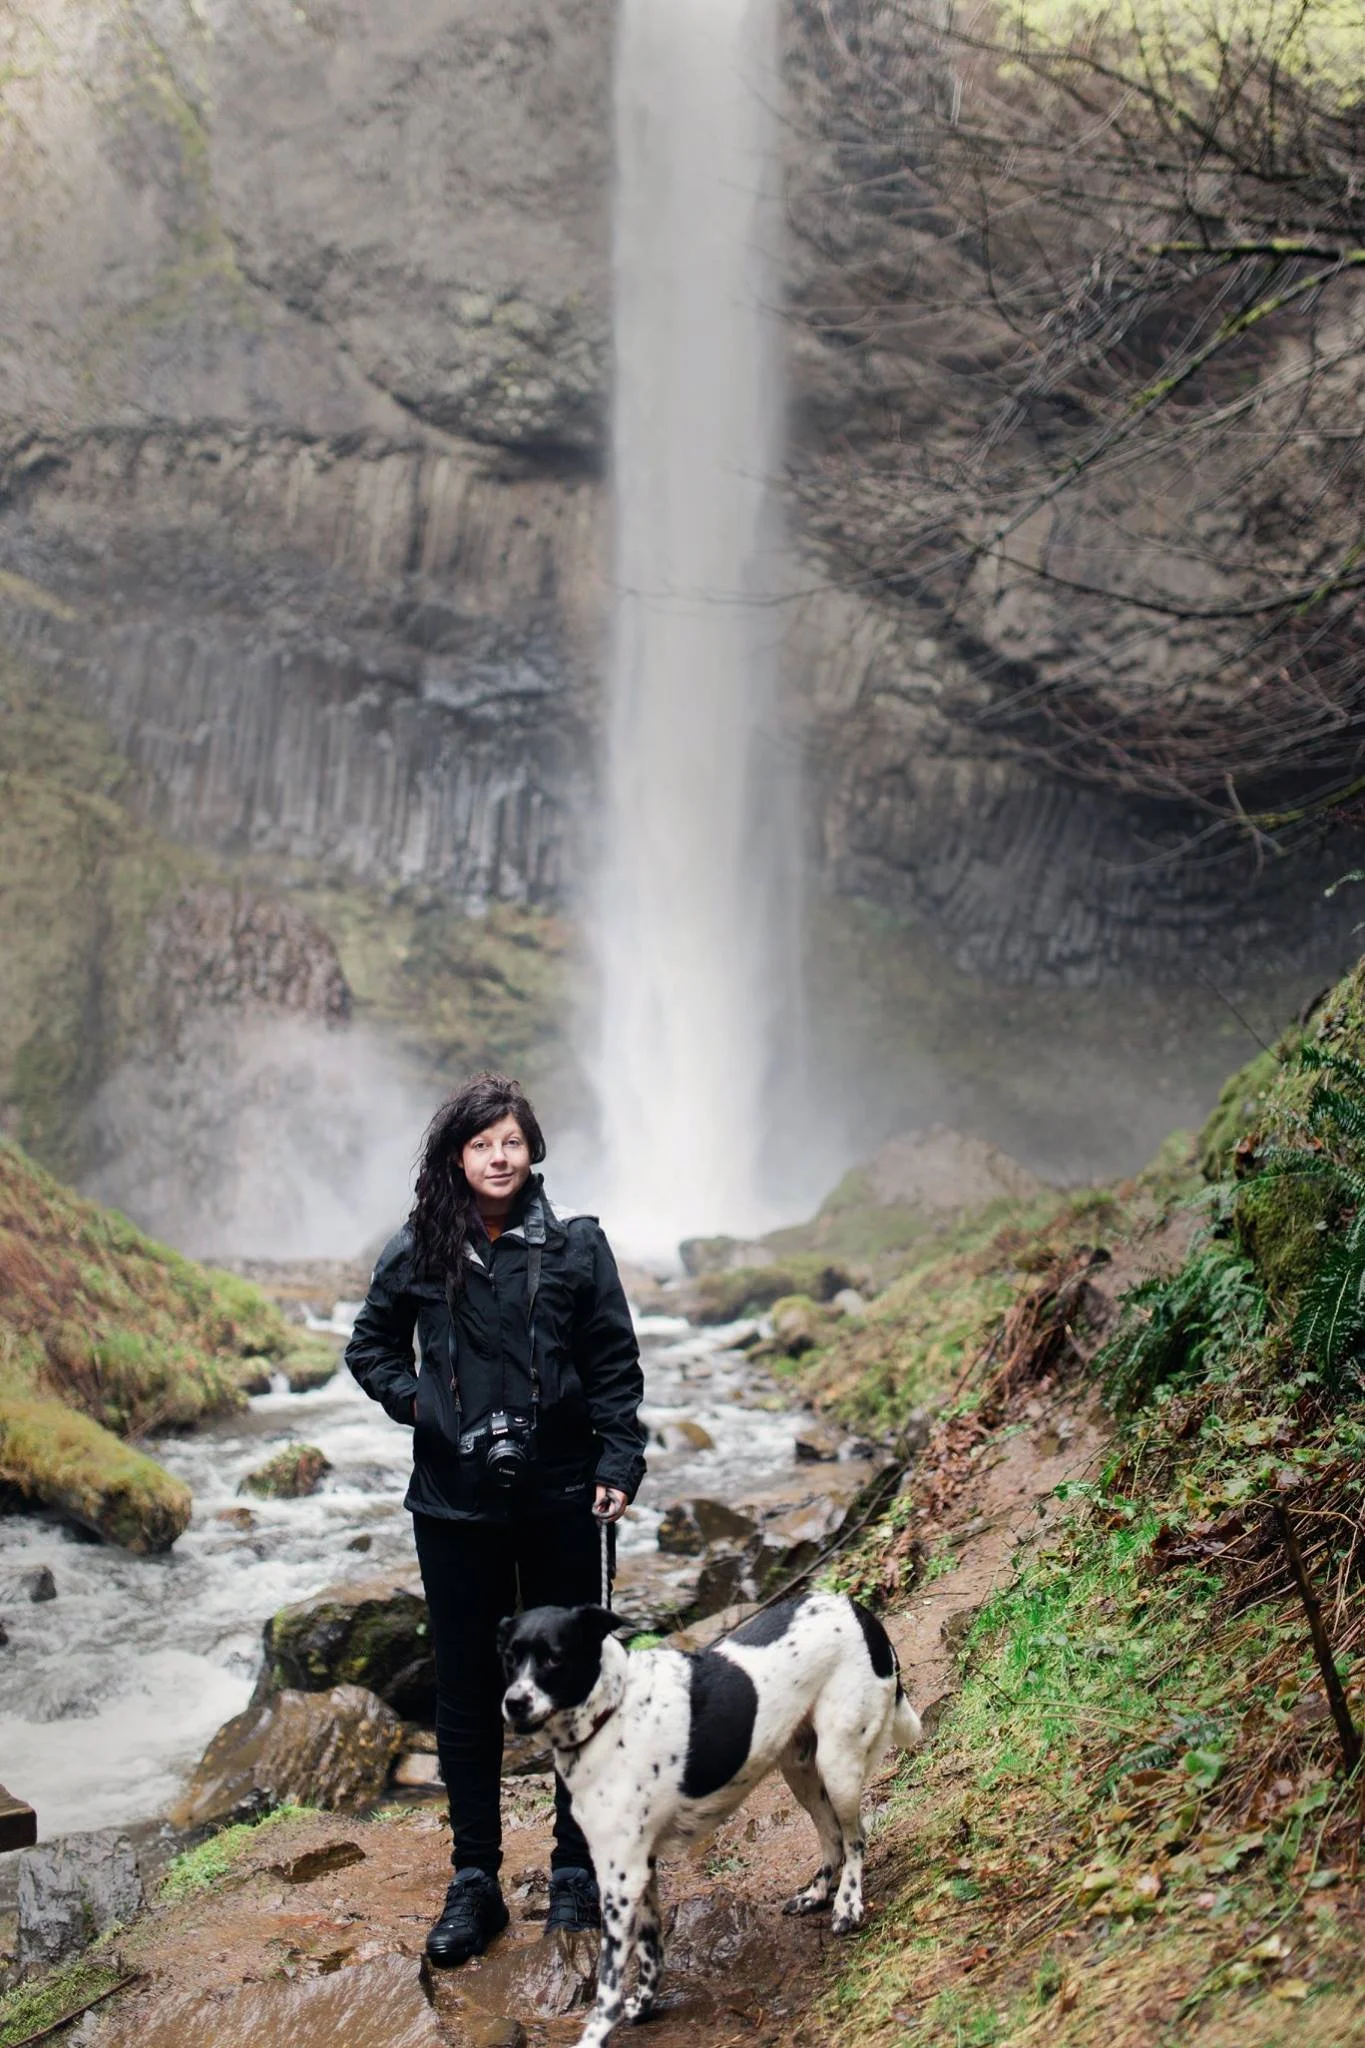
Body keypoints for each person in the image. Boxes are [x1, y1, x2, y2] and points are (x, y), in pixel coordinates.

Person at [345, 1071, 646, 1966]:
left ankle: (574, 1869)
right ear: (456, 1156)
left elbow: (612, 1365)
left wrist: (619, 1462)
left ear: (532, 1149)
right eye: (481, 1144)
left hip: (560, 1495)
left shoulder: (578, 1248)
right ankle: (473, 1878)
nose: (498, 1157)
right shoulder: (418, 1250)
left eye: (510, 1141)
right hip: (453, 1503)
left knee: (576, 1681)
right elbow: (367, 1347)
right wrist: (424, 1410)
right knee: (468, 1691)